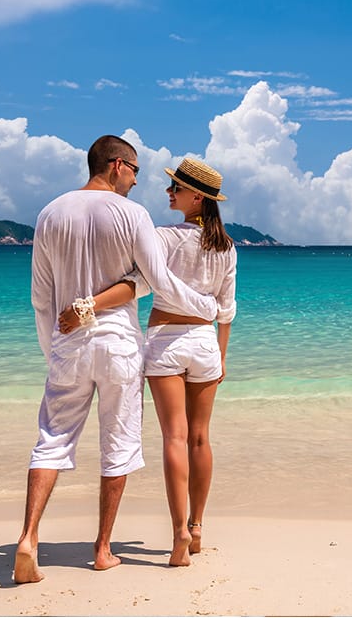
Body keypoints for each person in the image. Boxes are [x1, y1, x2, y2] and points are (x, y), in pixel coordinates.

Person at [15, 136, 218, 584]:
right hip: (120, 345)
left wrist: (53, 350)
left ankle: (28, 537)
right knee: (119, 446)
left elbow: (41, 298)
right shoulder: (132, 215)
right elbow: (157, 280)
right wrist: (206, 309)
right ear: (118, 166)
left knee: (51, 441)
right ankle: (103, 549)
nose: (138, 180)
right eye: (137, 171)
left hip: (69, 344)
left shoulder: (50, 213)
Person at [58, 157, 236, 567]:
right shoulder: (226, 247)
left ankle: (177, 537)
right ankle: (196, 528)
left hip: (166, 341)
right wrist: (221, 356)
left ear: (197, 197)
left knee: (174, 438)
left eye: (176, 187)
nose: (169, 192)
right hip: (206, 342)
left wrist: (88, 306)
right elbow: (226, 309)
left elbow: (137, 285)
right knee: (200, 438)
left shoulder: (163, 237)